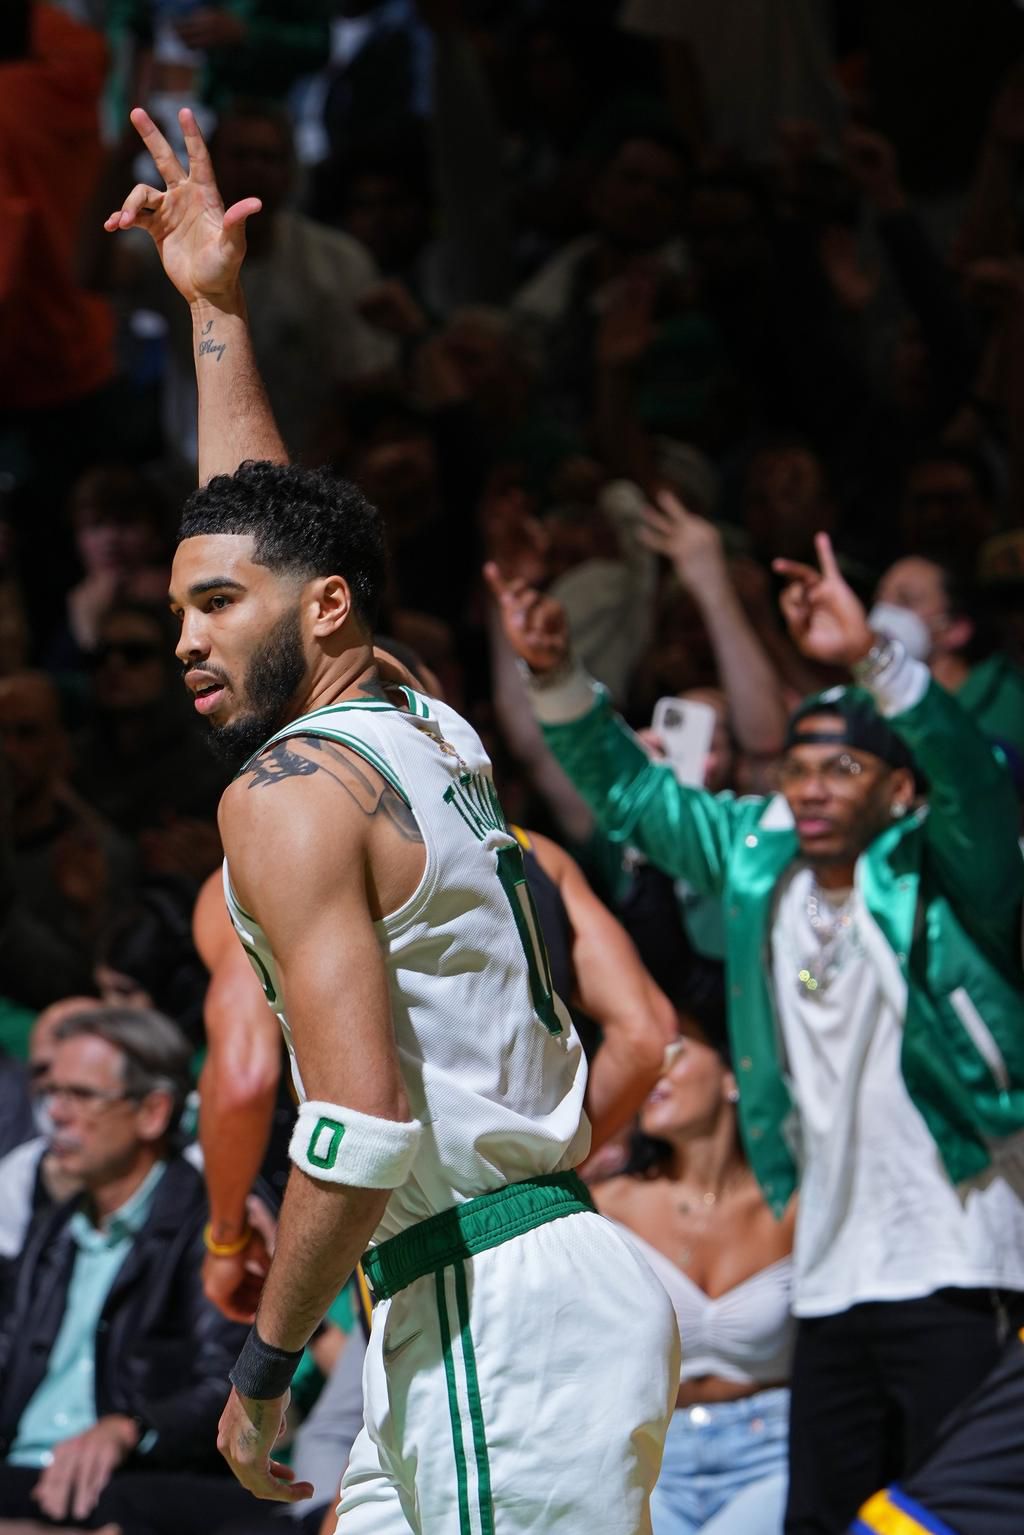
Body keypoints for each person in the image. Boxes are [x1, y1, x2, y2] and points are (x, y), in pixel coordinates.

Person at [105, 106, 680, 1533]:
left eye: (211, 607)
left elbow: (356, 1123)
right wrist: (215, 310)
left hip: (493, 1309)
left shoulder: (287, 793)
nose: (183, 637)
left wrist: (262, 1367)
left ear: (323, 613)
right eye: (175, 609)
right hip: (487, 1300)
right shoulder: (420, 719)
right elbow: (270, 530)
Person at [488, 530, 1024, 1534]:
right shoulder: (759, 857)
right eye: (796, 767)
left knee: (961, 1515)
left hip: (958, 1255)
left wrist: (872, 657)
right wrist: (556, 677)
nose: (810, 786)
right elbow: (635, 795)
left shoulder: (958, 870)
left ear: (901, 789)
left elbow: (975, 782)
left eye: (844, 766)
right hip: (831, 1272)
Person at [0, 1005, 257, 1535]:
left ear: (153, 1112)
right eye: (52, 1093)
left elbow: (233, 1383)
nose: (56, 1114)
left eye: (80, 1095)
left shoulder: (212, 1226)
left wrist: (132, 1428)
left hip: (139, 1478)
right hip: (25, 1472)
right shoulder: (52, 1229)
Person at [595, 970, 795, 1535]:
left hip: (774, 1455)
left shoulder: (792, 1207)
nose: (655, 1070)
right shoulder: (607, 1207)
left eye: (677, 1049)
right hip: (649, 1460)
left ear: (733, 1073)